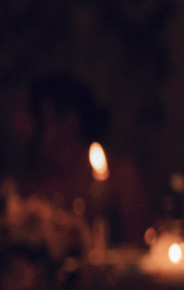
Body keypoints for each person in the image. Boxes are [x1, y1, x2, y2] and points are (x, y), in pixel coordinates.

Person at [8, 71, 152, 244]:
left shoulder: (120, 177)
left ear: (69, 121)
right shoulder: (23, 183)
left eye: (30, 114)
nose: (17, 123)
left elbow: (141, 247)